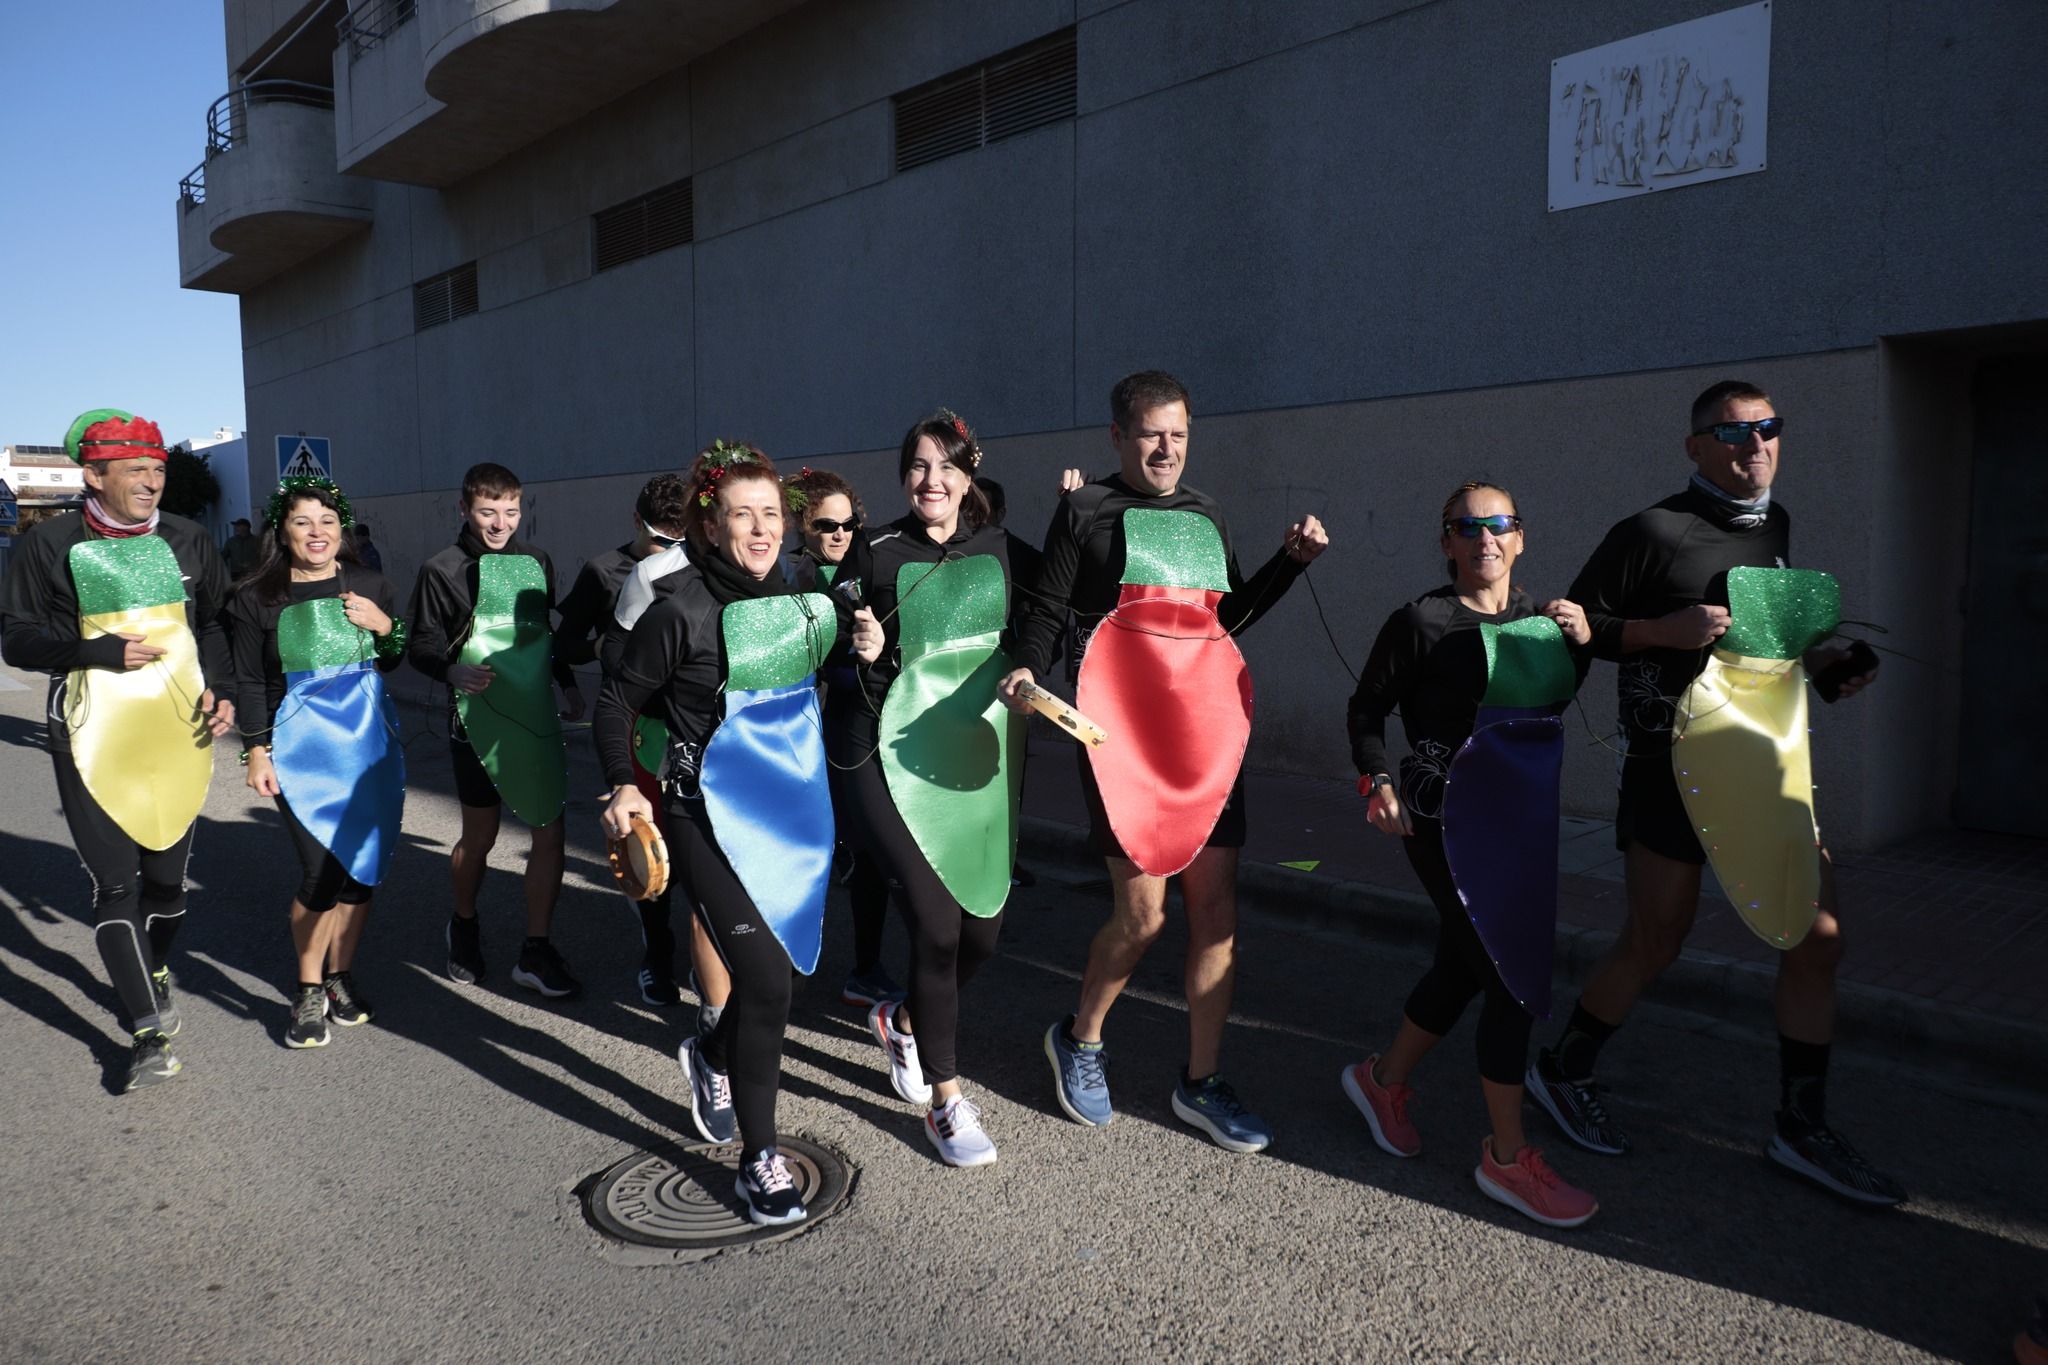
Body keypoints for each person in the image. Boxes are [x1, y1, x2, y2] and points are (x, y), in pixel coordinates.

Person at [1527, 379, 1905, 1205]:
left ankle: (1801, 1126)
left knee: (1817, 936)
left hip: (1766, 765)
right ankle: (1561, 1066)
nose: (1755, 445)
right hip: (1672, 765)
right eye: (1733, 434)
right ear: (1695, 446)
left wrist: (1826, 663)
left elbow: (1770, 643)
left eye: (1769, 427)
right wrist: (1666, 630)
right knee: (1656, 939)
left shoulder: (1775, 523)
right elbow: (1576, 631)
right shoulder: (1651, 531)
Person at [999, 370, 1328, 1152]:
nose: (1167, 448)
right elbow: (1047, 607)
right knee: (1143, 915)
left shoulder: (1205, 512)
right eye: (1151, 433)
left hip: (1208, 729)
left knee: (1215, 914)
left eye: (1178, 433)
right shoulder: (1084, 510)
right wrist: (1025, 666)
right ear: (1119, 436)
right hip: (1119, 733)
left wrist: (1290, 562)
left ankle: (1202, 1080)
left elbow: (1229, 614)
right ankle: (1080, 1037)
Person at [1342, 481, 1599, 1227]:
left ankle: (1383, 1077)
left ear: (1520, 537)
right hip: (1442, 815)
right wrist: (1376, 777)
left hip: (1522, 816)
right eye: (1467, 525)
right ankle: (1508, 1157)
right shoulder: (1420, 621)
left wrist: (1583, 641)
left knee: (1465, 960)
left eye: (1499, 524)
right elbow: (1367, 707)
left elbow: (1548, 697)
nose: (1485, 537)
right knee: (1509, 975)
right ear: (1447, 541)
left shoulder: (1543, 618)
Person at [599, 440, 841, 1225]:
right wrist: (620, 791)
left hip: (790, 820)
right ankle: (758, 1158)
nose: (762, 529)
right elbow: (614, 704)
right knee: (768, 982)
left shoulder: (802, 599)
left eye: (772, 514)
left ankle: (709, 1052)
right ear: (710, 524)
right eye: (743, 515)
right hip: (701, 817)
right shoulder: (682, 611)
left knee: (777, 977)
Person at [0, 408, 235, 1090]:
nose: (153, 481)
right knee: (117, 885)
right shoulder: (50, 544)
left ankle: (153, 963)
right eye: (136, 469)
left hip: (177, 731)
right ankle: (146, 1029)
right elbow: (16, 638)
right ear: (94, 474)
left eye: (159, 468)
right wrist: (96, 650)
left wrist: (219, 688)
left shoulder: (191, 539)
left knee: (167, 884)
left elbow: (218, 621)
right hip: (89, 727)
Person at [829, 412, 1025, 1166]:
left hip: (967, 759)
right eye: (917, 466)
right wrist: (861, 650)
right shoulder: (874, 557)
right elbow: (826, 650)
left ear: (970, 474)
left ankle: (906, 1021)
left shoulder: (1000, 548)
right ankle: (946, 1100)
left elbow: (1055, 604)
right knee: (937, 925)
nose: (931, 480)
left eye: (946, 466)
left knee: (983, 930)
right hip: (874, 753)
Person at [228, 477, 405, 1048]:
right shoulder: (257, 596)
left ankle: (339, 976)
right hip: (299, 747)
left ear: (342, 528)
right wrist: (256, 749)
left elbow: (395, 657)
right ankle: (308, 987)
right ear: (282, 530)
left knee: (360, 869)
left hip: (367, 747)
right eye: (303, 522)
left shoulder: (371, 583)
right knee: (320, 872)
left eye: (327, 521)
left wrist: (385, 628)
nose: (317, 532)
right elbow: (251, 681)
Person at [555, 473, 731, 1020]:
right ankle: (657, 954)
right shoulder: (614, 572)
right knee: (656, 861)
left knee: (712, 871)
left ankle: (717, 991)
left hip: (717, 741)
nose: (676, 551)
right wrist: (612, 650)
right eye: (664, 540)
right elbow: (573, 648)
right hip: (649, 732)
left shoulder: (739, 574)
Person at [407, 462, 584, 998]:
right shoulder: (441, 569)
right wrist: (450, 669)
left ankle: (535, 949)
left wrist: (569, 685)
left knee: (549, 832)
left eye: (510, 511)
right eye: (488, 512)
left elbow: (542, 636)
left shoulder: (537, 561)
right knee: (479, 838)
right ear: (464, 509)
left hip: (533, 718)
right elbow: (420, 645)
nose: (500, 523)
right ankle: (463, 922)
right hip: (476, 720)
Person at [783, 466, 906, 1011]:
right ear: (802, 531)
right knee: (810, 855)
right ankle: (789, 964)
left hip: (869, 729)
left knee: (868, 855)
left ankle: (865, 966)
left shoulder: (872, 570)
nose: (840, 533)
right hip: (814, 736)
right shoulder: (798, 585)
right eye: (825, 525)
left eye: (850, 522)